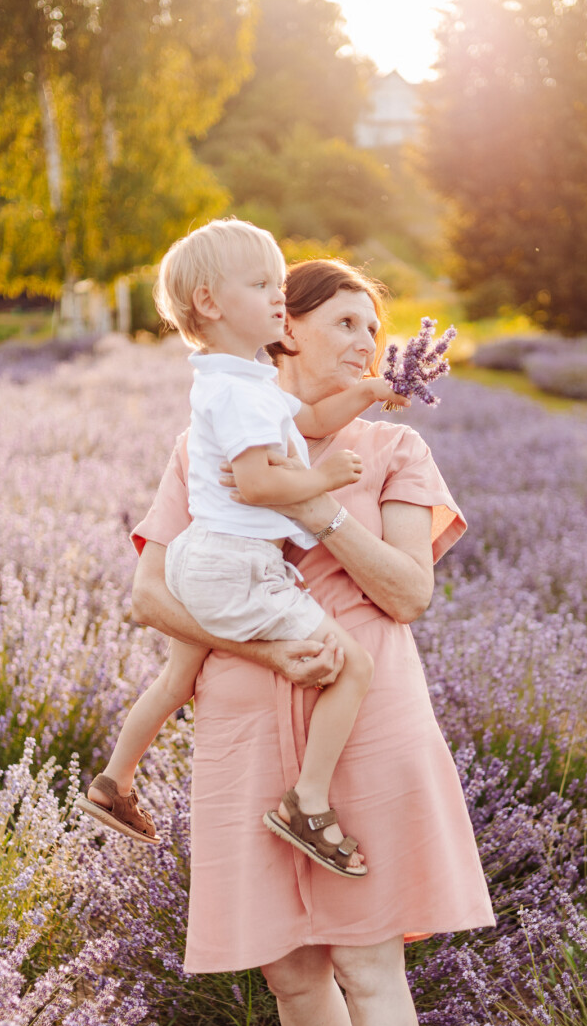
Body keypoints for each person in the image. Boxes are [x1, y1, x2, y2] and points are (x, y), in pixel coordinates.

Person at [129, 257, 495, 1026]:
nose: (368, 342)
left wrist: (319, 509)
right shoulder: (210, 445)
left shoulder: (393, 447)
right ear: (284, 326)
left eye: (375, 327)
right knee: (290, 972)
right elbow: (150, 597)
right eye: (345, 323)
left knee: (369, 962)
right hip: (247, 719)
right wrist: (262, 650)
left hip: (366, 722)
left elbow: (406, 593)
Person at [78, 220, 403, 878]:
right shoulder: (239, 392)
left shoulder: (239, 381)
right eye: (261, 285)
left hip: (205, 555)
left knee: (177, 678)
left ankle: (113, 781)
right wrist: (325, 480)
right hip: (236, 565)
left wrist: (365, 392)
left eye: (278, 283)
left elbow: (306, 422)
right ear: (210, 304)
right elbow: (257, 484)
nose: (279, 297)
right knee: (355, 668)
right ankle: (307, 803)